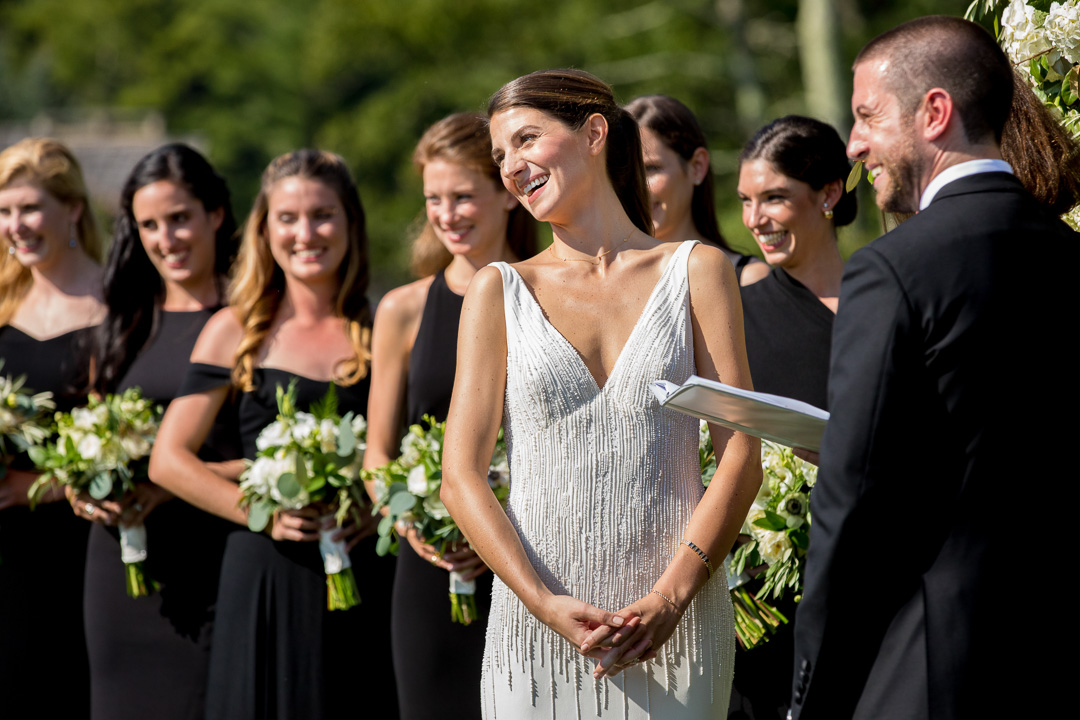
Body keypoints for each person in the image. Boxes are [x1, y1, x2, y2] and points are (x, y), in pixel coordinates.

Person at [441, 68, 762, 719]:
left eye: (526, 139)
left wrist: (671, 601)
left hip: (677, 633)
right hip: (536, 633)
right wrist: (544, 604)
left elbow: (740, 454)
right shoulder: (497, 291)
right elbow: (460, 477)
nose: (511, 166)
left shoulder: (697, 272)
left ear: (592, 133)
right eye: (500, 156)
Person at [790, 16, 1070, 719]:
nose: (853, 146)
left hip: (929, 662)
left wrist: (811, 688)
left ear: (934, 113)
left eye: (866, 117)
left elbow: (851, 499)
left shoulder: (894, 268)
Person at [148, 150, 397, 720]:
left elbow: (401, 453)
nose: (305, 233)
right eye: (288, 217)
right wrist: (261, 512)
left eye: (323, 215)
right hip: (262, 573)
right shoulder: (234, 328)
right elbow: (168, 460)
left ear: (351, 224)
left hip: (363, 571)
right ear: (264, 229)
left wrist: (380, 510)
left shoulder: (385, 326)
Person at [364, 112, 536, 720]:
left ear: (506, 196)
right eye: (434, 198)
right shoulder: (402, 309)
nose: (447, 214)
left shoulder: (547, 299)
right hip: (429, 570)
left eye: (463, 196)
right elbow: (377, 457)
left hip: (532, 561)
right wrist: (417, 525)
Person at [77, 144, 239, 720]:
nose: (166, 238)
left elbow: (268, 450)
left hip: (218, 563)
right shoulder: (122, 323)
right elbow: (88, 436)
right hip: (121, 575)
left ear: (215, 214)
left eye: (179, 218)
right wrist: (82, 487)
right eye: (149, 225)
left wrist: (174, 482)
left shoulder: (256, 318)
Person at [728, 116, 854, 720]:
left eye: (774, 197)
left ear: (829, 193)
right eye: (747, 201)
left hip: (870, 583)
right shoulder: (733, 317)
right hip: (764, 601)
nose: (756, 220)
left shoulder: (886, 300)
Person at [0, 137, 104, 719]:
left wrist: (35, 487)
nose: (16, 225)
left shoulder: (117, 307)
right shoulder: (1, 303)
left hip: (82, 546)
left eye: (29, 208)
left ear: (73, 209)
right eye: (5, 210)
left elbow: (132, 444)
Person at [626, 95, 768, 285]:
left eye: (651, 168)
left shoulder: (747, 279)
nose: (636, 187)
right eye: (626, 172)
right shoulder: (602, 280)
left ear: (697, 166)